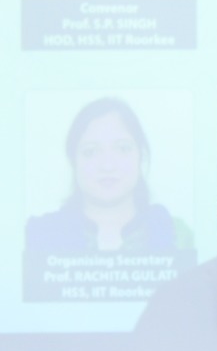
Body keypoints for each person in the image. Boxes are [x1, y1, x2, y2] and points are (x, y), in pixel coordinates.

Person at [26, 96, 190, 254]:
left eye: (122, 149)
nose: (107, 166)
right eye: (91, 152)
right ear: (73, 160)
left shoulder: (177, 235)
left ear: (141, 156)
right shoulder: (39, 235)